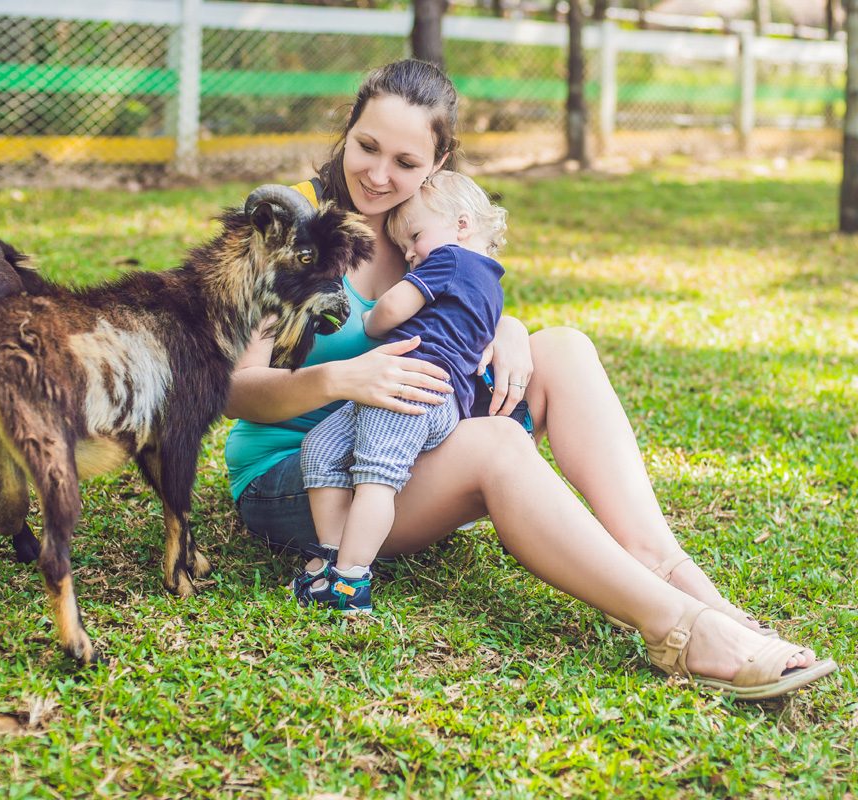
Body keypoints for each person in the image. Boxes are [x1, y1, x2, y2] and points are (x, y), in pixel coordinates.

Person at [223, 59, 835, 698]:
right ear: (347, 130)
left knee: (563, 348)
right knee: (498, 445)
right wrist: (342, 379)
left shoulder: (433, 224)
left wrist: (504, 329)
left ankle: (671, 570)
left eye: (405, 162)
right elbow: (236, 389)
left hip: (407, 442)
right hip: (302, 478)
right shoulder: (288, 227)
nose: (378, 176)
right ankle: (681, 632)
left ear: (438, 164)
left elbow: (459, 311)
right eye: (367, 147)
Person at [295, 170, 508, 613]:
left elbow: (389, 309)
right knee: (319, 447)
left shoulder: (450, 259)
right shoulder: (491, 285)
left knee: (375, 478)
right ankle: (332, 557)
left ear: (461, 225)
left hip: (411, 385)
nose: (411, 255)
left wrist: (368, 322)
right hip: (415, 391)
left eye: (414, 237)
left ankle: (350, 582)